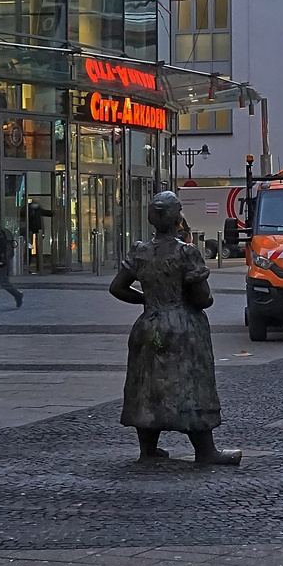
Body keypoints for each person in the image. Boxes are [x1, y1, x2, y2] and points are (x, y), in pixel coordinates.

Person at [109, 192, 239, 465]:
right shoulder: (186, 252)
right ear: (176, 218)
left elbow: (117, 287)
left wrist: (146, 299)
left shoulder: (139, 250)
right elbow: (202, 298)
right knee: (192, 383)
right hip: (182, 325)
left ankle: (147, 450)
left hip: (149, 325)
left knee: (147, 385)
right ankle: (205, 451)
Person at [0, 221, 23, 311]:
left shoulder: (0, 233)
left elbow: (2, 248)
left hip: (0, 263)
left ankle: (17, 295)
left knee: (4, 283)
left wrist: (2, 260)